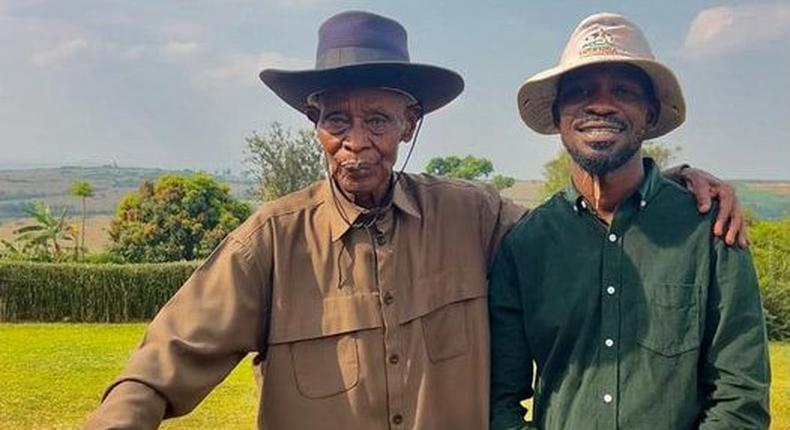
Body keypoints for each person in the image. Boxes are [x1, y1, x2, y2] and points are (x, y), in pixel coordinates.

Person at [86, 11, 746, 429]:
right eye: (335, 119)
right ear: (314, 126)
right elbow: (164, 361)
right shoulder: (270, 243)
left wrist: (678, 187)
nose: (356, 139)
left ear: (409, 123)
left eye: (377, 118)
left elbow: (587, 226)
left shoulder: (474, 215)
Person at [489, 13, 770, 430]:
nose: (601, 104)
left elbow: (740, 396)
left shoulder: (709, 230)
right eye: (581, 91)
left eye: (622, 90)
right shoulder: (525, 245)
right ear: (558, 116)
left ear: (651, 114)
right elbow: (499, 399)